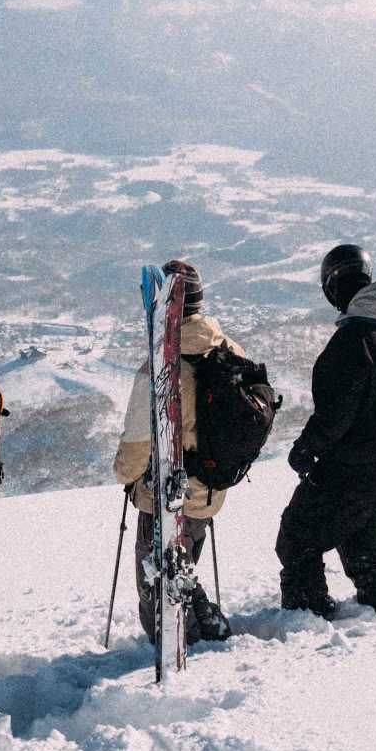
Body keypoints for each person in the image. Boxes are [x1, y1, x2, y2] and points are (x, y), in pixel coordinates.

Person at [275, 244, 376, 619]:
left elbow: (336, 412)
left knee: (297, 535)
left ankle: (306, 615)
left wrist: (305, 448)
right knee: (362, 534)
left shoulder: (355, 340)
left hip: (350, 464)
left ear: (331, 285)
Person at [114, 260, 237, 646]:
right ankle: (209, 633)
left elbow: (134, 452)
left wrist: (125, 476)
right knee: (181, 569)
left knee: (157, 594)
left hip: (163, 499)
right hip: (210, 492)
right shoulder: (229, 350)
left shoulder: (159, 366)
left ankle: (189, 647)